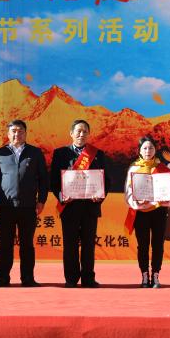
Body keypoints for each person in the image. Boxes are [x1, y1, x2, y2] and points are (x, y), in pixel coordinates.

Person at [50, 119, 110, 288]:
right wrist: (62, 197)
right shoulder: (61, 153)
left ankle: (88, 278)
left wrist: (100, 196)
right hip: (69, 207)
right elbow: (53, 181)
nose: (81, 134)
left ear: (88, 134)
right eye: (78, 131)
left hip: (90, 207)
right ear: (71, 133)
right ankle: (71, 278)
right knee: (70, 244)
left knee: (89, 244)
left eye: (85, 131)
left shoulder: (97, 154)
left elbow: (106, 180)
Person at [0, 119, 48, 288]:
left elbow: (44, 179)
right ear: (8, 134)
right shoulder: (0, 153)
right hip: (5, 207)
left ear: (25, 133)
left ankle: (28, 278)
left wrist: (41, 201)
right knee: (5, 244)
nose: (17, 134)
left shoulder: (35, 153)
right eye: (13, 131)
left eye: (20, 131)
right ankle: (3, 278)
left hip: (28, 207)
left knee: (27, 244)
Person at [124, 136, 170, 288]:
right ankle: (144, 275)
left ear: (155, 150)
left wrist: (167, 200)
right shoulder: (134, 169)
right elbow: (128, 193)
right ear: (140, 151)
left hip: (159, 212)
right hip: (141, 213)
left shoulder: (163, 169)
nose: (148, 151)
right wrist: (137, 202)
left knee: (158, 245)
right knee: (143, 245)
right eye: (145, 148)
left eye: (151, 148)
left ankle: (155, 275)